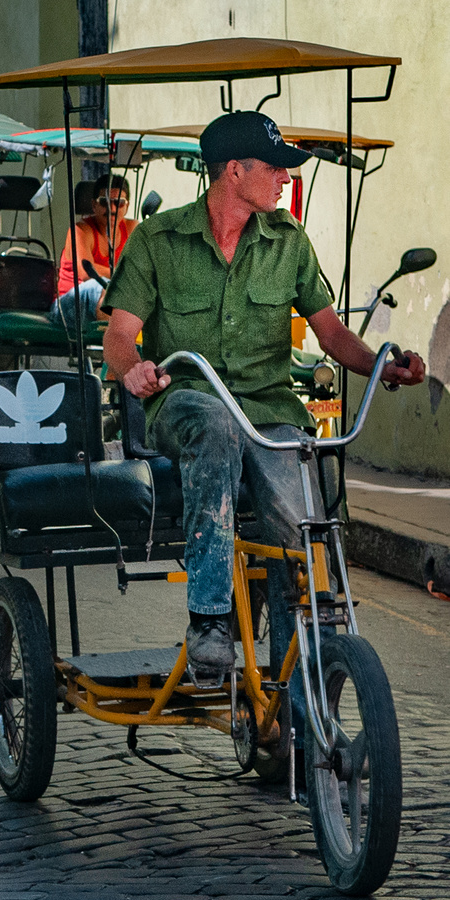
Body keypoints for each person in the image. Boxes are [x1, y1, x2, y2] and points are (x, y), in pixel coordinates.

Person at [102, 111, 425, 688]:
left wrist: (384, 365)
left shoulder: (288, 242)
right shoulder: (158, 240)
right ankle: (208, 619)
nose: (285, 179)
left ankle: (311, 636)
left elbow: (331, 334)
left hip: (271, 410)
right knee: (217, 425)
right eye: (275, 169)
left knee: (298, 497)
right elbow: (119, 335)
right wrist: (134, 371)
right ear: (234, 171)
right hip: (188, 403)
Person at [52, 173, 134, 331]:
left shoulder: (132, 229)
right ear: (94, 205)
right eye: (105, 202)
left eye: (119, 203)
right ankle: (114, 346)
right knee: (105, 287)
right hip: (66, 309)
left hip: (109, 300)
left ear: (127, 206)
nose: (112, 209)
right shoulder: (80, 231)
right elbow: (87, 272)